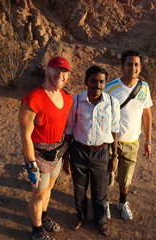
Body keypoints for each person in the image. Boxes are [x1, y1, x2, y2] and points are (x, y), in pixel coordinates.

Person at [19, 56, 73, 240]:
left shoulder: (67, 98)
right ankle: (37, 231)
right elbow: (25, 135)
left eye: (65, 72)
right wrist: (31, 164)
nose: (61, 75)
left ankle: (43, 216)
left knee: (49, 187)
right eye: (56, 70)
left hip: (57, 152)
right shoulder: (32, 99)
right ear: (47, 70)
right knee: (38, 194)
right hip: (39, 155)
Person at [63, 65, 120, 236]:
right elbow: (69, 130)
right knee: (79, 188)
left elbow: (115, 130)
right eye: (93, 81)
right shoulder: (76, 101)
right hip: (79, 150)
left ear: (105, 83)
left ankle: (100, 220)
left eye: (101, 82)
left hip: (101, 152)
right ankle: (80, 216)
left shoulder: (112, 103)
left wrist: (114, 156)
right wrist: (66, 158)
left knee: (100, 190)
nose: (97, 85)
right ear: (86, 81)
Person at [104, 50, 153, 221]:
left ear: (140, 67)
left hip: (133, 141)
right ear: (122, 66)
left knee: (126, 177)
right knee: (107, 175)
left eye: (136, 64)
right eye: (129, 64)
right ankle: (104, 202)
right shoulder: (111, 88)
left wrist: (148, 140)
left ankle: (122, 202)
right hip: (111, 141)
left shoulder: (144, 88)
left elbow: (146, 114)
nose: (133, 67)